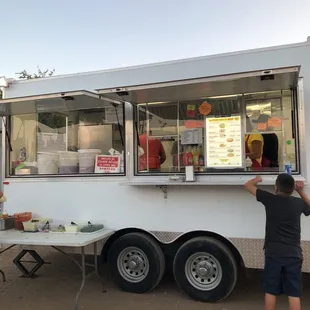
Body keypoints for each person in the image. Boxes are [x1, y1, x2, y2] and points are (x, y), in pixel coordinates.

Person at [244, 174, 310, 310]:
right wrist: (301, 191)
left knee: (271, 290)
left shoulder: (270, 199)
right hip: (293, 254)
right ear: (292, 189)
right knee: (293, 293)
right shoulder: (298, 203)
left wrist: (257, 179)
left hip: (273, 254)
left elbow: (247, 186)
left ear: (275, 188)